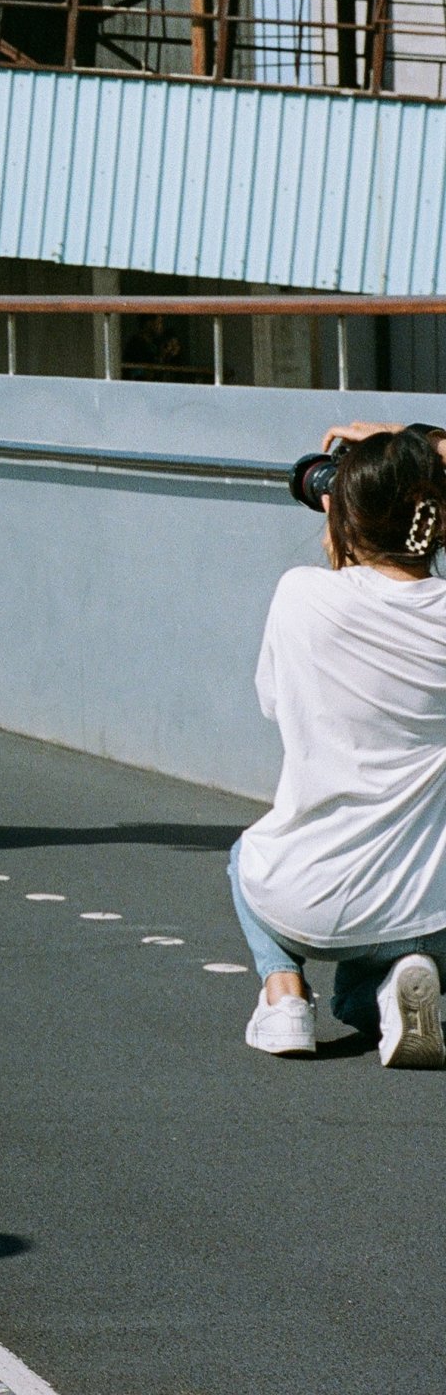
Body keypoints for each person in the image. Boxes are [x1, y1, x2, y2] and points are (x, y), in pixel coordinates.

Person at [229, 421, 446, 1065]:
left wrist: (351, 517)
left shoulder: (300, 595)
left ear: (342, 515)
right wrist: (417, 449)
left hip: (305, 902)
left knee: (244, 856)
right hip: (429, 908)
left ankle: (285, 996)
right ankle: (400, 979)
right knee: (382, 963)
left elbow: (274, 703)